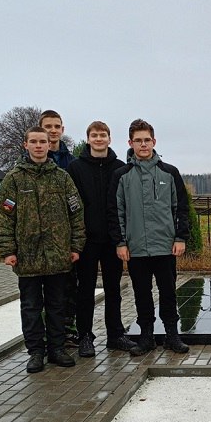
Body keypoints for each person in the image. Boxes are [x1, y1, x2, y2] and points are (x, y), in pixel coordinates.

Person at [0, 126, 85, 374]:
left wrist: (76, 246)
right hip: (28, 257)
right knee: (31, 307)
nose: (38, 146)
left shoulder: (62, 178)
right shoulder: (14, 180)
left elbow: (76, 214)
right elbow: (4, 217)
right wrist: (7, 250)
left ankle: (57, 348)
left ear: (49, 144)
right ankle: (36, 351)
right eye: (33, 141)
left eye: (42, 141)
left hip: (58, 256)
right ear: (26, 145)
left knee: (57, 305)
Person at [109, 118, 190, 355]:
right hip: (136, 248)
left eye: (147, 140)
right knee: (142, 294)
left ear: (154, 141)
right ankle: (146, 337)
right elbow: (116, 211)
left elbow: (180, 207)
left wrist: (180, 237)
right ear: (130, 143)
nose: (143, 144)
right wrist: (120, 242)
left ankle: (172, 336)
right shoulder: (122, 175)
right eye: (138, 140)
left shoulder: (169, 172)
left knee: (168, 292)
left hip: (165, 247)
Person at [66, 121, 137, 358]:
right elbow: (72, 204)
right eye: (94, 135)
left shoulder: (119, 167)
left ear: (109, 138)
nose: (98, 139)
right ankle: (85, 335)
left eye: (103, 135)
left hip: (111, 238)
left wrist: (122, 237)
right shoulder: (75, 168)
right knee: (85, 290)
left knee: (113, 289)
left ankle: (115, 334)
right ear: (88, 139)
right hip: (86, 240)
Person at [39, 109, 78, 345]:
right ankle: (47, 334)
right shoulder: (30, 161)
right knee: (42, 291)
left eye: (57, 127)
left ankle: (67, 329)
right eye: (48, 126)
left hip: (65, 236)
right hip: (39, 236)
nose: (53, 131)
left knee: (68, 288)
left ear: (62, 130)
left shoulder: (71, 163)